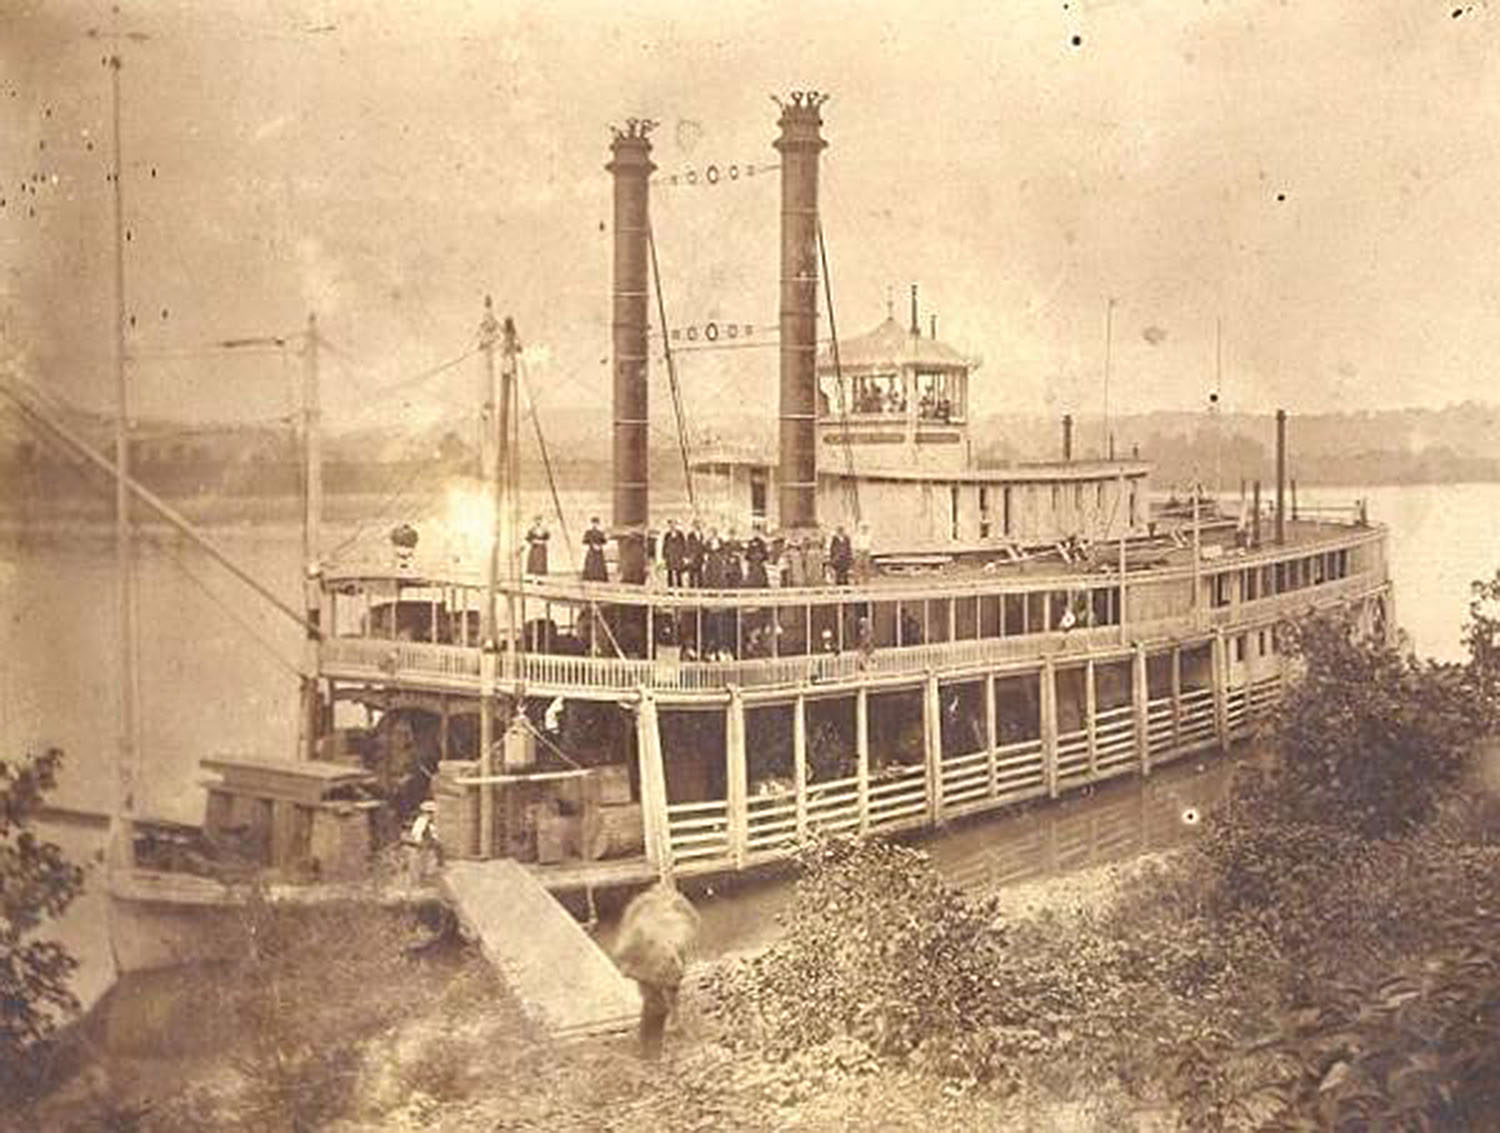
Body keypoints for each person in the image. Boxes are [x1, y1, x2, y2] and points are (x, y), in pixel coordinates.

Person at [613, 881, 700, 1061]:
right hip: (646, 960)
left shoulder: (679, 918)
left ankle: (672, 1023)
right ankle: (650, 1052)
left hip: (663, 954)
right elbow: (624, 950)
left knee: (668, 993)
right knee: (655, 1005)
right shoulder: (641, 922)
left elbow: (690, 930)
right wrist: (631, 966)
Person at [662, 518, 687, 588]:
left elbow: (684, 545)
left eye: (674, 524)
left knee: (678, 573)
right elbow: (665, 546)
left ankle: (680, 589)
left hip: (678, 557)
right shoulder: (667, 535)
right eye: (671, 524)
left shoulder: (680, 534)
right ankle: (670, 589)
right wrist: (664, 556)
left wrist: (684, 556)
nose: (672, 526)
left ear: (676, 525)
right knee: (669, 573)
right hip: (670, 557)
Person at [582, 517, 608, 582]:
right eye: (593, 523)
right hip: (592, 550)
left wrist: (599, 545)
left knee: (599, 564)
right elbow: (584, 541)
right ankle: (590, 577)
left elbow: (604, 541)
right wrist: (592, 544)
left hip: (599, 550)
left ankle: (600, 577)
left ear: (598, 524)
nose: (595, 525)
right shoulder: (588, 532)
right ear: (591, 524)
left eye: (596, 523)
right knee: (591, 563)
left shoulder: (600, 532)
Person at [686, 519, 705, 588]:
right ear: (693, 526)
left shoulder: (701, 534)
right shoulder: (690, 535)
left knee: (699, 572)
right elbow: (688, 546)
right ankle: (691, 588)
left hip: (699, 557)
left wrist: (703, 555)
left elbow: (702, 546)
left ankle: (700, 588)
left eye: (697, 524)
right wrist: (689, 557)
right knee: (691, 573)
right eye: (695, 525)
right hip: (692, 556)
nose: (696, 526)